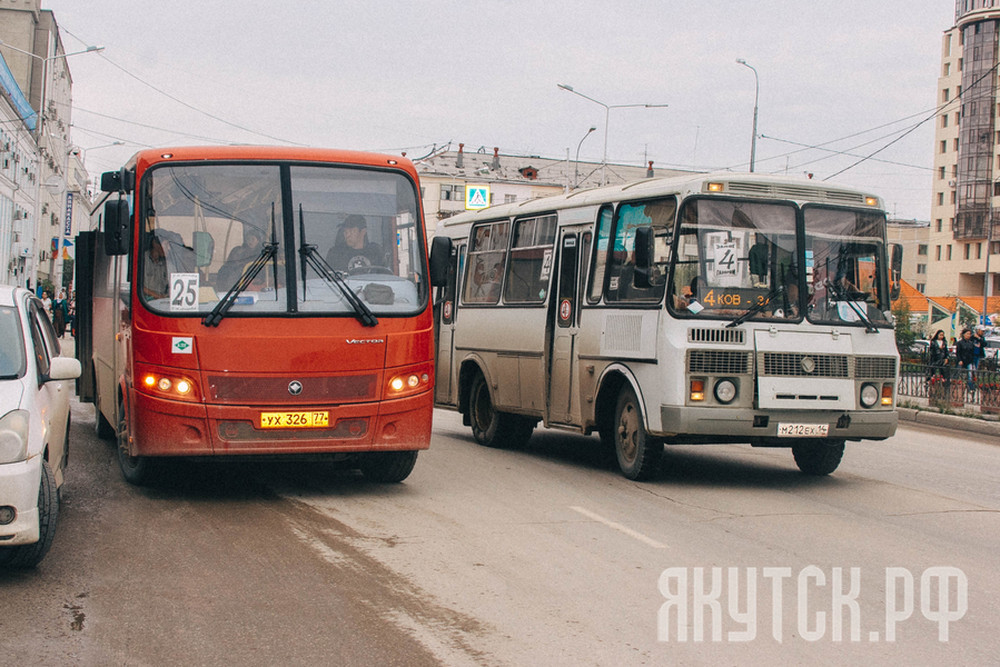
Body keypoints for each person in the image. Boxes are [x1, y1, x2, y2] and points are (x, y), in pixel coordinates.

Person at [142, 235, 169, 300]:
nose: (168, 248)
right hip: (145, 302)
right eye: (166, 245)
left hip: (162, 302)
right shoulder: (142, 260)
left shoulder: (166, 263)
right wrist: (157, 296)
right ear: (155, 244)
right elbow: (137, 286)